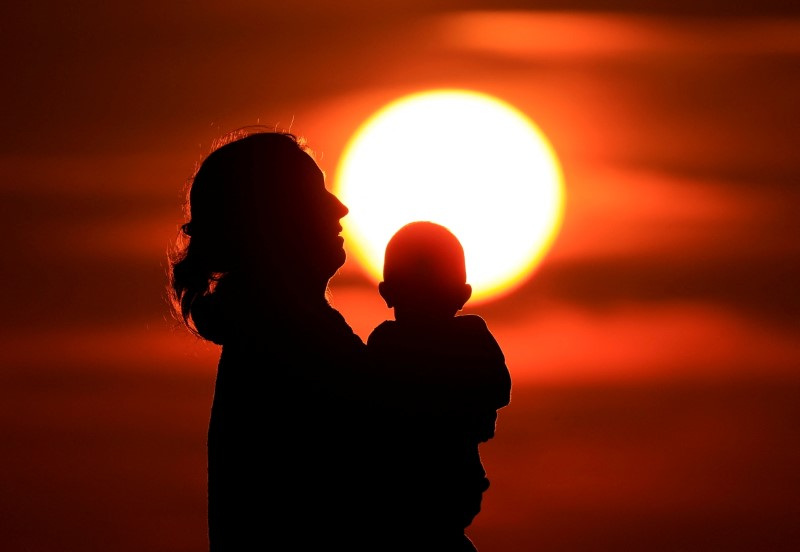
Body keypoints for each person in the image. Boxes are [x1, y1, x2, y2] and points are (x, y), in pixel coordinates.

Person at [168, 129, 383, 550]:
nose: (340, 207)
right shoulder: (293, 347)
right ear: (274, 220)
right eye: (315, 195)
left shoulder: (278, 334)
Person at [365, 221, 512, 552]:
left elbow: (496, 395)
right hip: (429, 483)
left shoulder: (389, 345)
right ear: (463, 295)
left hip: (414, 486)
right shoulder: (468, 342)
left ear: (386, 292)